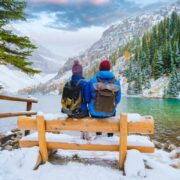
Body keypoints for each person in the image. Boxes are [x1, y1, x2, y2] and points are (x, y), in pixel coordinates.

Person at [88, 60, 121, 137]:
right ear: (109, 68)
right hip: (110, 112)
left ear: (100, 68)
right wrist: (112, 105)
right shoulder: (116, 82)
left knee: (96, 113)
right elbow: (118, 99)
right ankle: (110, 136)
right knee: (112, 114)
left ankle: (98, 135)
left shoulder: (93, 80)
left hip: (95, 112)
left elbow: (88, 97)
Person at [61, 60, 90, 139]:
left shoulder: (67, 83)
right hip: (80, 113)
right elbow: (87, 100)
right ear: (81, 72)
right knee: (86, 112)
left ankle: (82, 135)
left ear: (73, 72)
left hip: (69, 112)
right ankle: (85, 136)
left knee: (81, 111)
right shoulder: (85, 83)